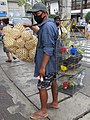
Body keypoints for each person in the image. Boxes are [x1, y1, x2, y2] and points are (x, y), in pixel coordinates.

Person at [23, 3, 59, 119]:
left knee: (41, 86)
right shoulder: (49, 25)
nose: (35, 15)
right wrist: (33, 28)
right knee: (53, 81)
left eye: (37, 13)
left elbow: (48, 48)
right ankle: (55, 102)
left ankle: (43, 111)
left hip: (47, 65)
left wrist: (42, 67)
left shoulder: (47, 27)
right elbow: (45, 37)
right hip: (53, 64)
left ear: (45, 13)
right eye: (33, 14)